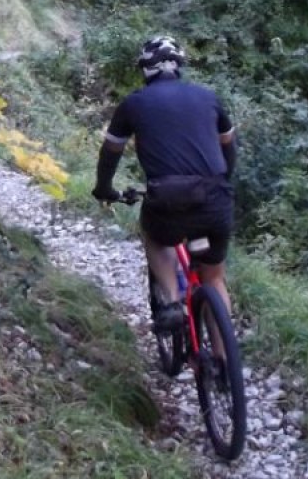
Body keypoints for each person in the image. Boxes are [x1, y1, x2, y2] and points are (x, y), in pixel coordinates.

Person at [91, 35, 237, 331]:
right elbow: (229, 147)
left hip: (167, 199)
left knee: (156, 236)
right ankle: (225, 364)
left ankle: (172, 301)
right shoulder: (208, 97)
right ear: (179, 66)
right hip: (215, 196)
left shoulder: (133, 104)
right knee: (214, 278)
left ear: (145, 69)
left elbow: (111, 152)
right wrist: (222, 181)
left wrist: (104, 188)